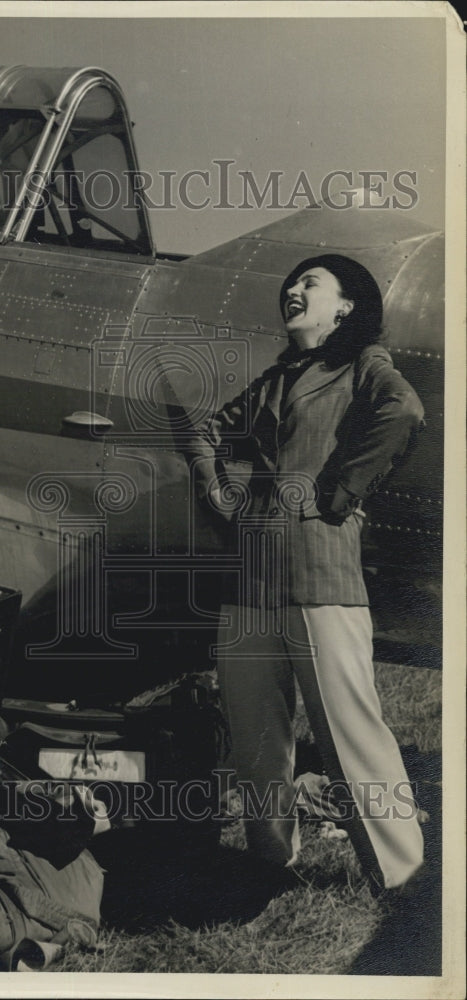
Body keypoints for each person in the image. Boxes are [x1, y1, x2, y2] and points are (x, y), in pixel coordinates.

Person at [187, 253, 425, 893]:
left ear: (345, 307)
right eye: (291, 283)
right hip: (251, 579)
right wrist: (218, 495)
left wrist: (343, 491)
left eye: (310, 284)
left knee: (350, 733)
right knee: (256, 737)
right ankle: (269, 864)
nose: (293, 289)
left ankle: (404, 876)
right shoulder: (274, 378)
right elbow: (205, 432)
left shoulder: (364, 366)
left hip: (321, 573)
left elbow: (403, 411)